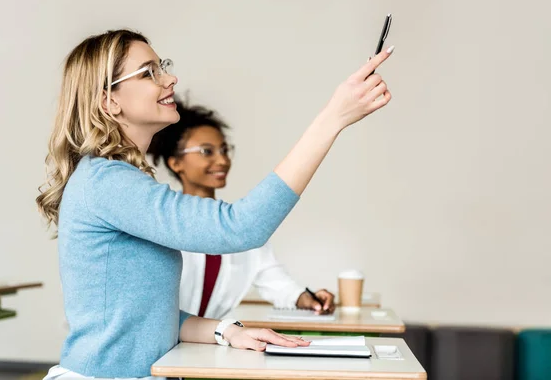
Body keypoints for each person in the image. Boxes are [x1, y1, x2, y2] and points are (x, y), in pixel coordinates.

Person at [36, 29, 393, 379]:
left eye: (163, 66)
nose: (170, 78)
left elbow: (144, 316)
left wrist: (227, 331)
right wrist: (332, 120)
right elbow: (240, 227)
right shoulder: (107, 182)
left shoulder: (116, 181)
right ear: (108, 101)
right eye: (149, 73)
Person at [148, 97, 336, 319]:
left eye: (224, 150)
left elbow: (272, 277)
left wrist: (306, 298)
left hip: (203, 344)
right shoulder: (162, 221)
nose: (223, 160)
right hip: (161, 346)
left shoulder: (238, 224)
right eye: (207, 151)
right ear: (175, 163)